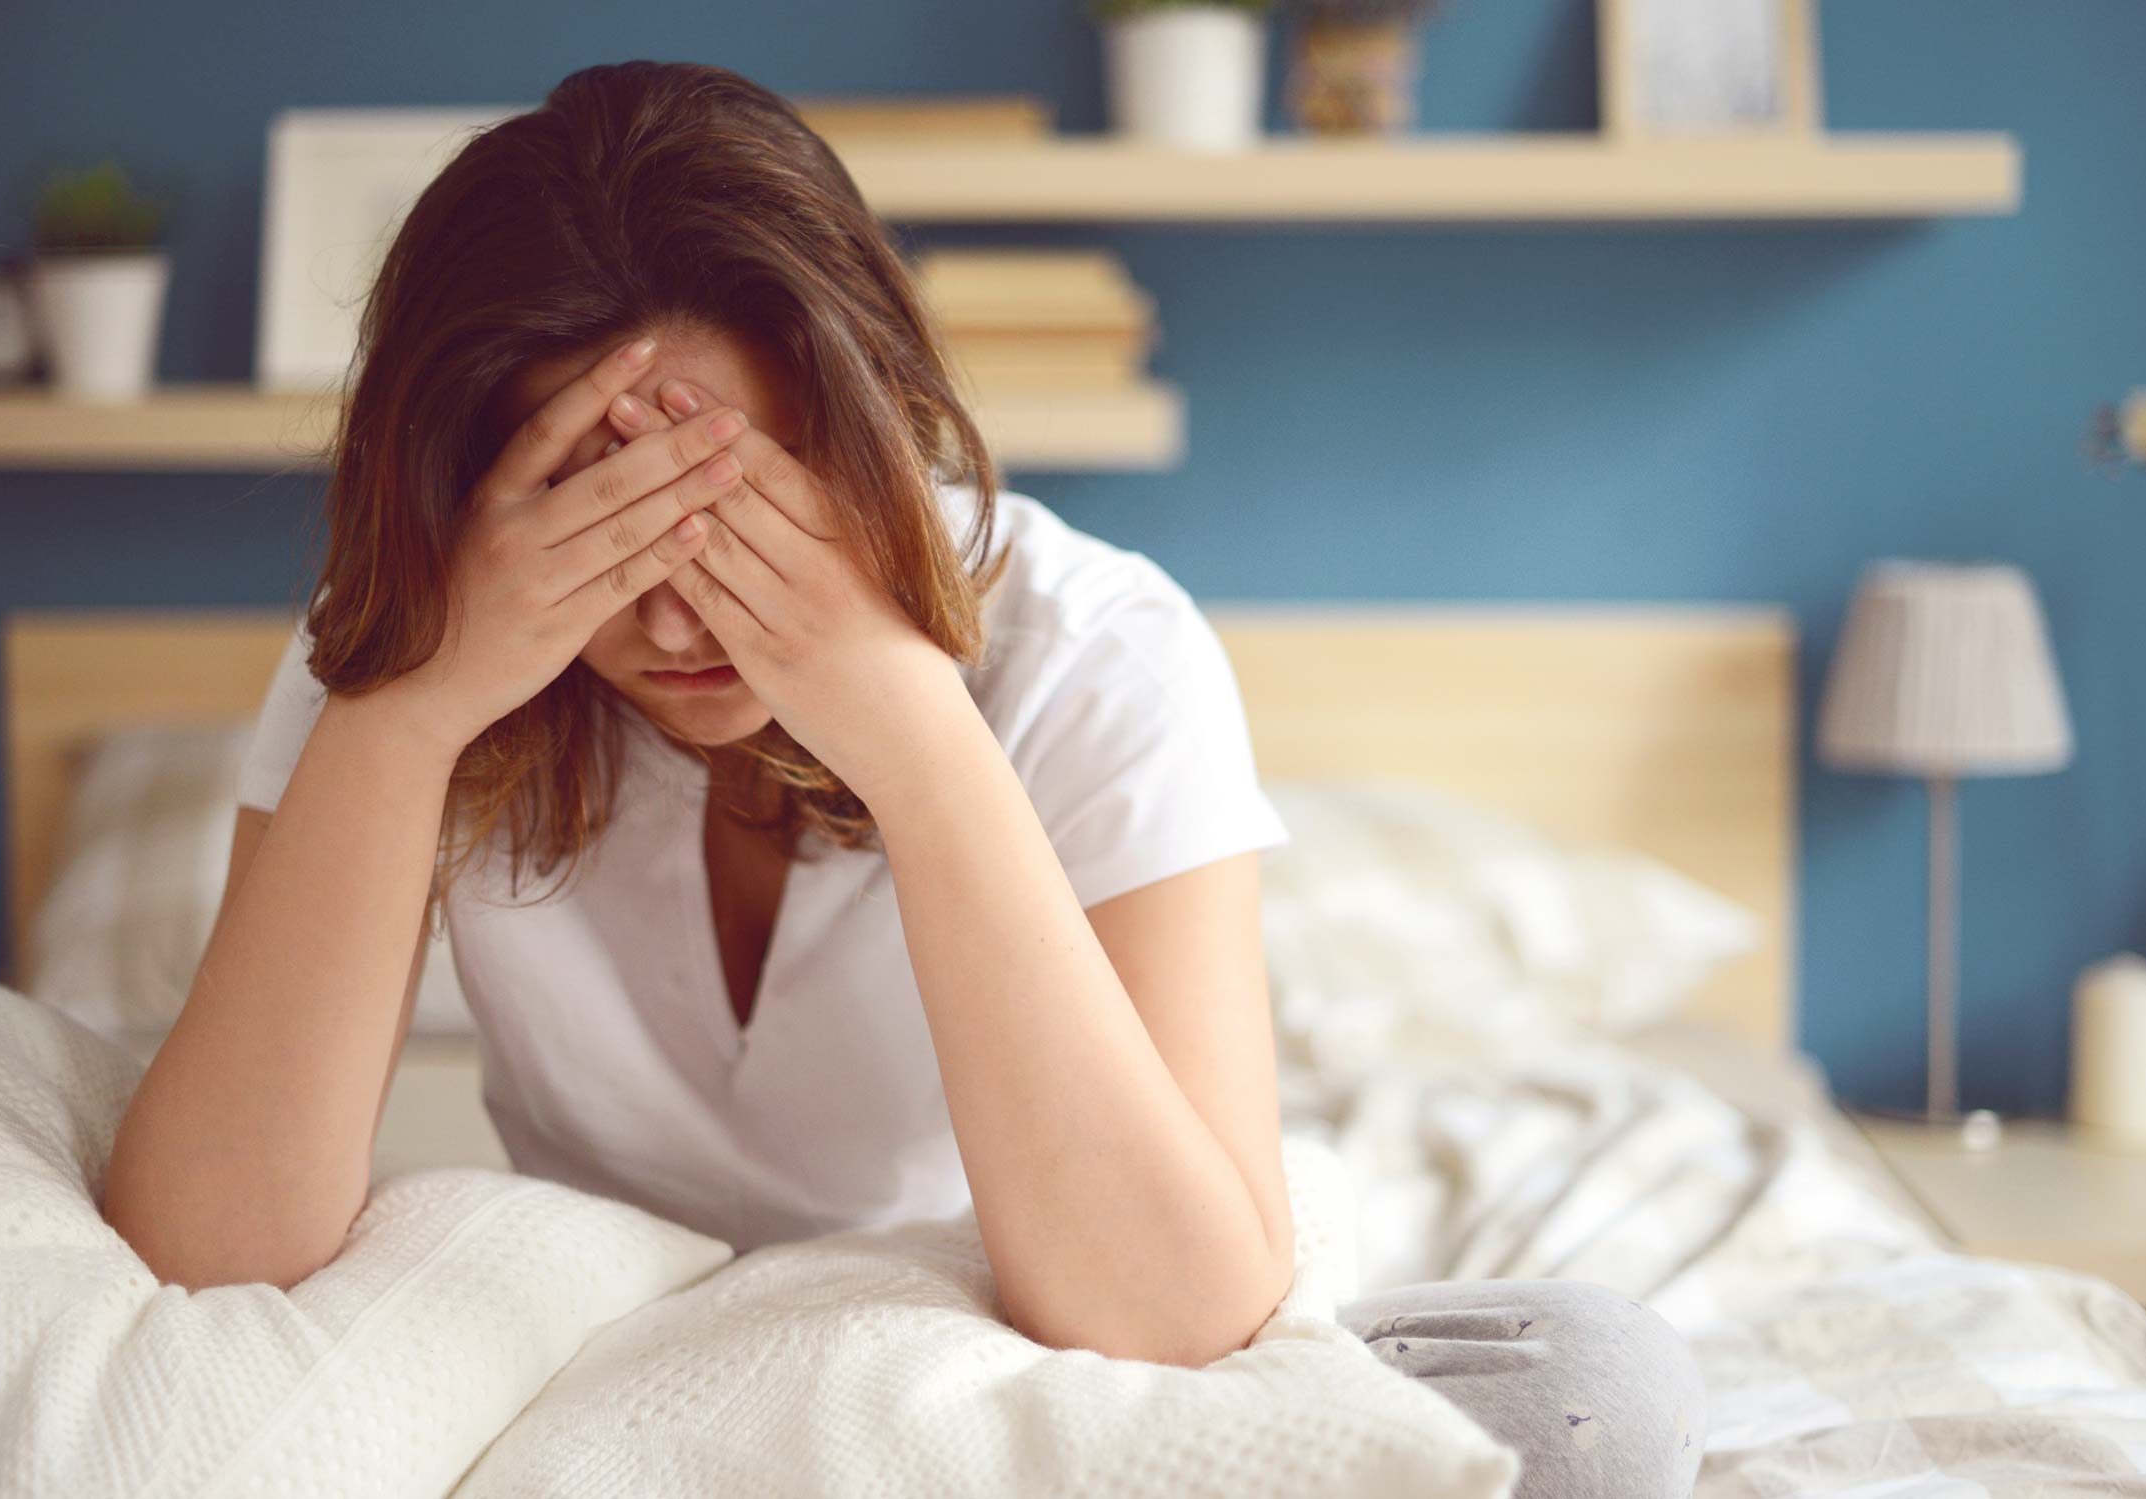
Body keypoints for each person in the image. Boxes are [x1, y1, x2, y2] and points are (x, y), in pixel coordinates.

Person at [97, 60, 1703, 1497]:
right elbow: (212, 1250)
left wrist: (913, 729)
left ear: (873, 433)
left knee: (1585, 1397)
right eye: (598, 516)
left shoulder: (1095, 650)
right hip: (637, 1370)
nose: (673, 612)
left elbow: (1174, 1316)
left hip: (1019, 1348)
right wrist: (407, 714)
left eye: (739, 509)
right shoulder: (404, 650)